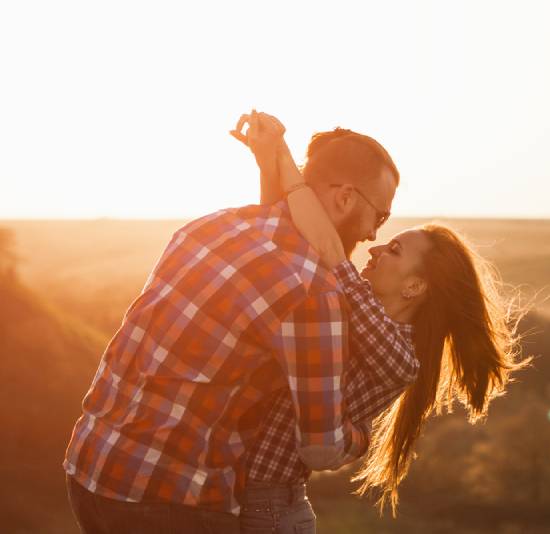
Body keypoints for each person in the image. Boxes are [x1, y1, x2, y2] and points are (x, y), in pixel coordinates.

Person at [63, 116, 412, 533]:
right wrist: (363, 437)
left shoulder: (215, 225)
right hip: (172, 499)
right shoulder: (315, 295)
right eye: (381, 215)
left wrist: (272, 163)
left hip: (92, 466)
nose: (373, 234)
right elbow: (320, 444)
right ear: (344, 198)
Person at [236, 112, 530, 527]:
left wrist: (282, 158)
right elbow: (286, 244)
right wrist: (269, 164)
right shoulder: (350, 311)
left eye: (393, 250)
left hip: (268, 507)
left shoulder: (397, 356)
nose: (372, 248)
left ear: (415, 287)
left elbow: (325, 246)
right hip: (248, 497)